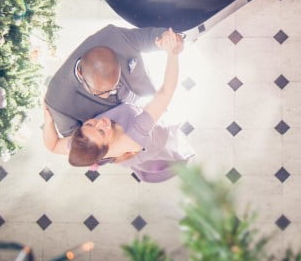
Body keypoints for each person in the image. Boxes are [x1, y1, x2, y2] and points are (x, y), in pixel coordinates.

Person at [43, 29, 193, 182]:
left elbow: (53, 146)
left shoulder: (86, 142)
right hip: (153, 140)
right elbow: (166, 92)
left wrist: (48, 122)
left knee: (142, 161)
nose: (101, 122)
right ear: (105, 150)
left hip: (126, 151)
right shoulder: (137, 130)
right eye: (102, 132)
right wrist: (173, 55)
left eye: (89, 123)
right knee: (164, 155)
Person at [43, 25, 183, 138]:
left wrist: (167, 40)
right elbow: (77, 142)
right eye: (101, 92)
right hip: (122, 130)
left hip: (146, 96)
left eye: (114, 85)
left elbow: (150, 38)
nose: (111, 93)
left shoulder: (114, 36)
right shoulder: (58, 102)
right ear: (80, 73)